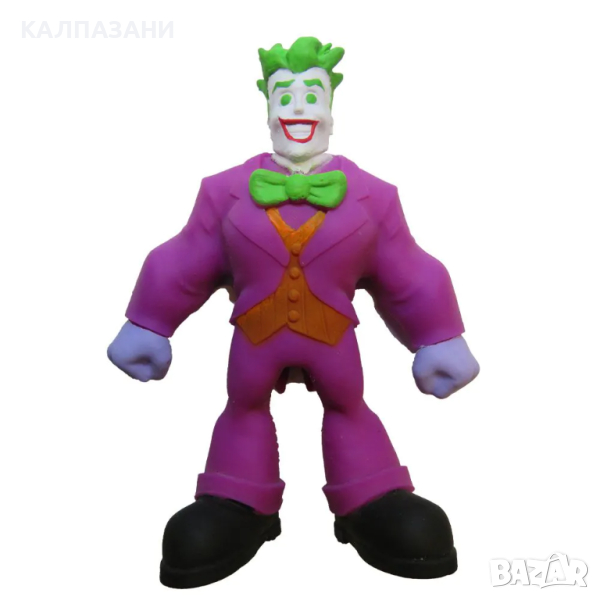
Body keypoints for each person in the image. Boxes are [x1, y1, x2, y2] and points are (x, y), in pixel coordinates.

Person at [108, 36, 480, 588]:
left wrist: (438, 335)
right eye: (285, 95)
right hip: (257, 335)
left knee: (348, 404)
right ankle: (238, 501)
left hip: (332, 337)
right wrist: (149, 322)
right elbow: (186, 256)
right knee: (244, 405)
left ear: (331, 108)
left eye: (312, 95)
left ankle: (371, 497)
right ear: (267, 108)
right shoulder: (224, 192)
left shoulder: (373, 196)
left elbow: (407, 269)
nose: (299, 108)